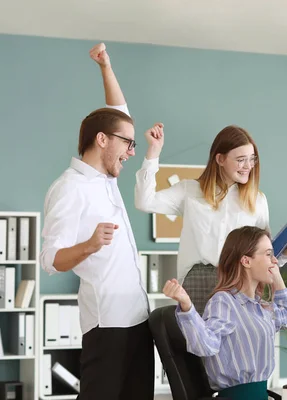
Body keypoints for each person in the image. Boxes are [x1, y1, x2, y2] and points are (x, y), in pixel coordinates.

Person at [40, 43, 154, 399]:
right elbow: (49, 260)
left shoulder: (106, 178)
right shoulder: (69, 188)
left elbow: (118, 113)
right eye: (128, 145)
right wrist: (89, 245)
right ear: (101, 140)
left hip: (137, 315)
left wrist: (106, 66)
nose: (132, 153)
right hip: (107, 323)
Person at [135, 119, 287, 313]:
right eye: (240, 159)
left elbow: (266, 257)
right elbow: (144, 201)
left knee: (240, 343)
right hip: (199, 282)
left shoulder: (257, 200)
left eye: (252, 159)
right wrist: (153, 152)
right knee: (197, 341)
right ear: (220, 159)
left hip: (241, 282)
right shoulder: (189, 191)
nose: (248, 166)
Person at [162, 225, 287, 400]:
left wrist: (277, 277)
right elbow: (206, 345)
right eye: (268, 254)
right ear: (246, 261)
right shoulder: (224, 301)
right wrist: (187, 306)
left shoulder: (258, 306)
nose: (274, 261)